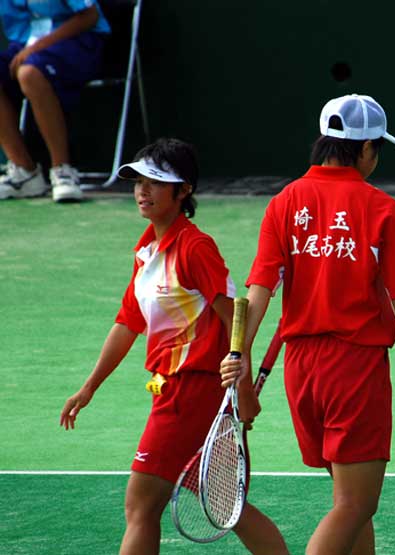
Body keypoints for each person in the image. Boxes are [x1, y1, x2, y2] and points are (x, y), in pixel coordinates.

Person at [220, 94, 395, 555]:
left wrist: (239, 354)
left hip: (302, 373)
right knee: (356, 503)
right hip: (354, 369)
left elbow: (258, 292)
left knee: (348, 499)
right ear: (366, 149)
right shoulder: (380, 208)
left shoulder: (284, 202)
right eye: (377, 150)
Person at [59, 138, 289, 555]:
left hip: (192, 392)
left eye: (155, 183)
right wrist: (89, 387)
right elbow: (127, 323)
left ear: (184, 191)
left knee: (140, 505)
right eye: (138, 182)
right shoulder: (147, 251)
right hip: (172, 389)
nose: (142, 191)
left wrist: (243, 389)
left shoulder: (194, 247)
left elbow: (234, 319)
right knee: (226, 506)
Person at [0, 0, 111, 202]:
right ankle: (25, 173)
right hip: (26, 45)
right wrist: (31, 48)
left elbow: (90, 15)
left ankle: (63, 171)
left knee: (29, 73)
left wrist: (38, 47)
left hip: (77, 42)